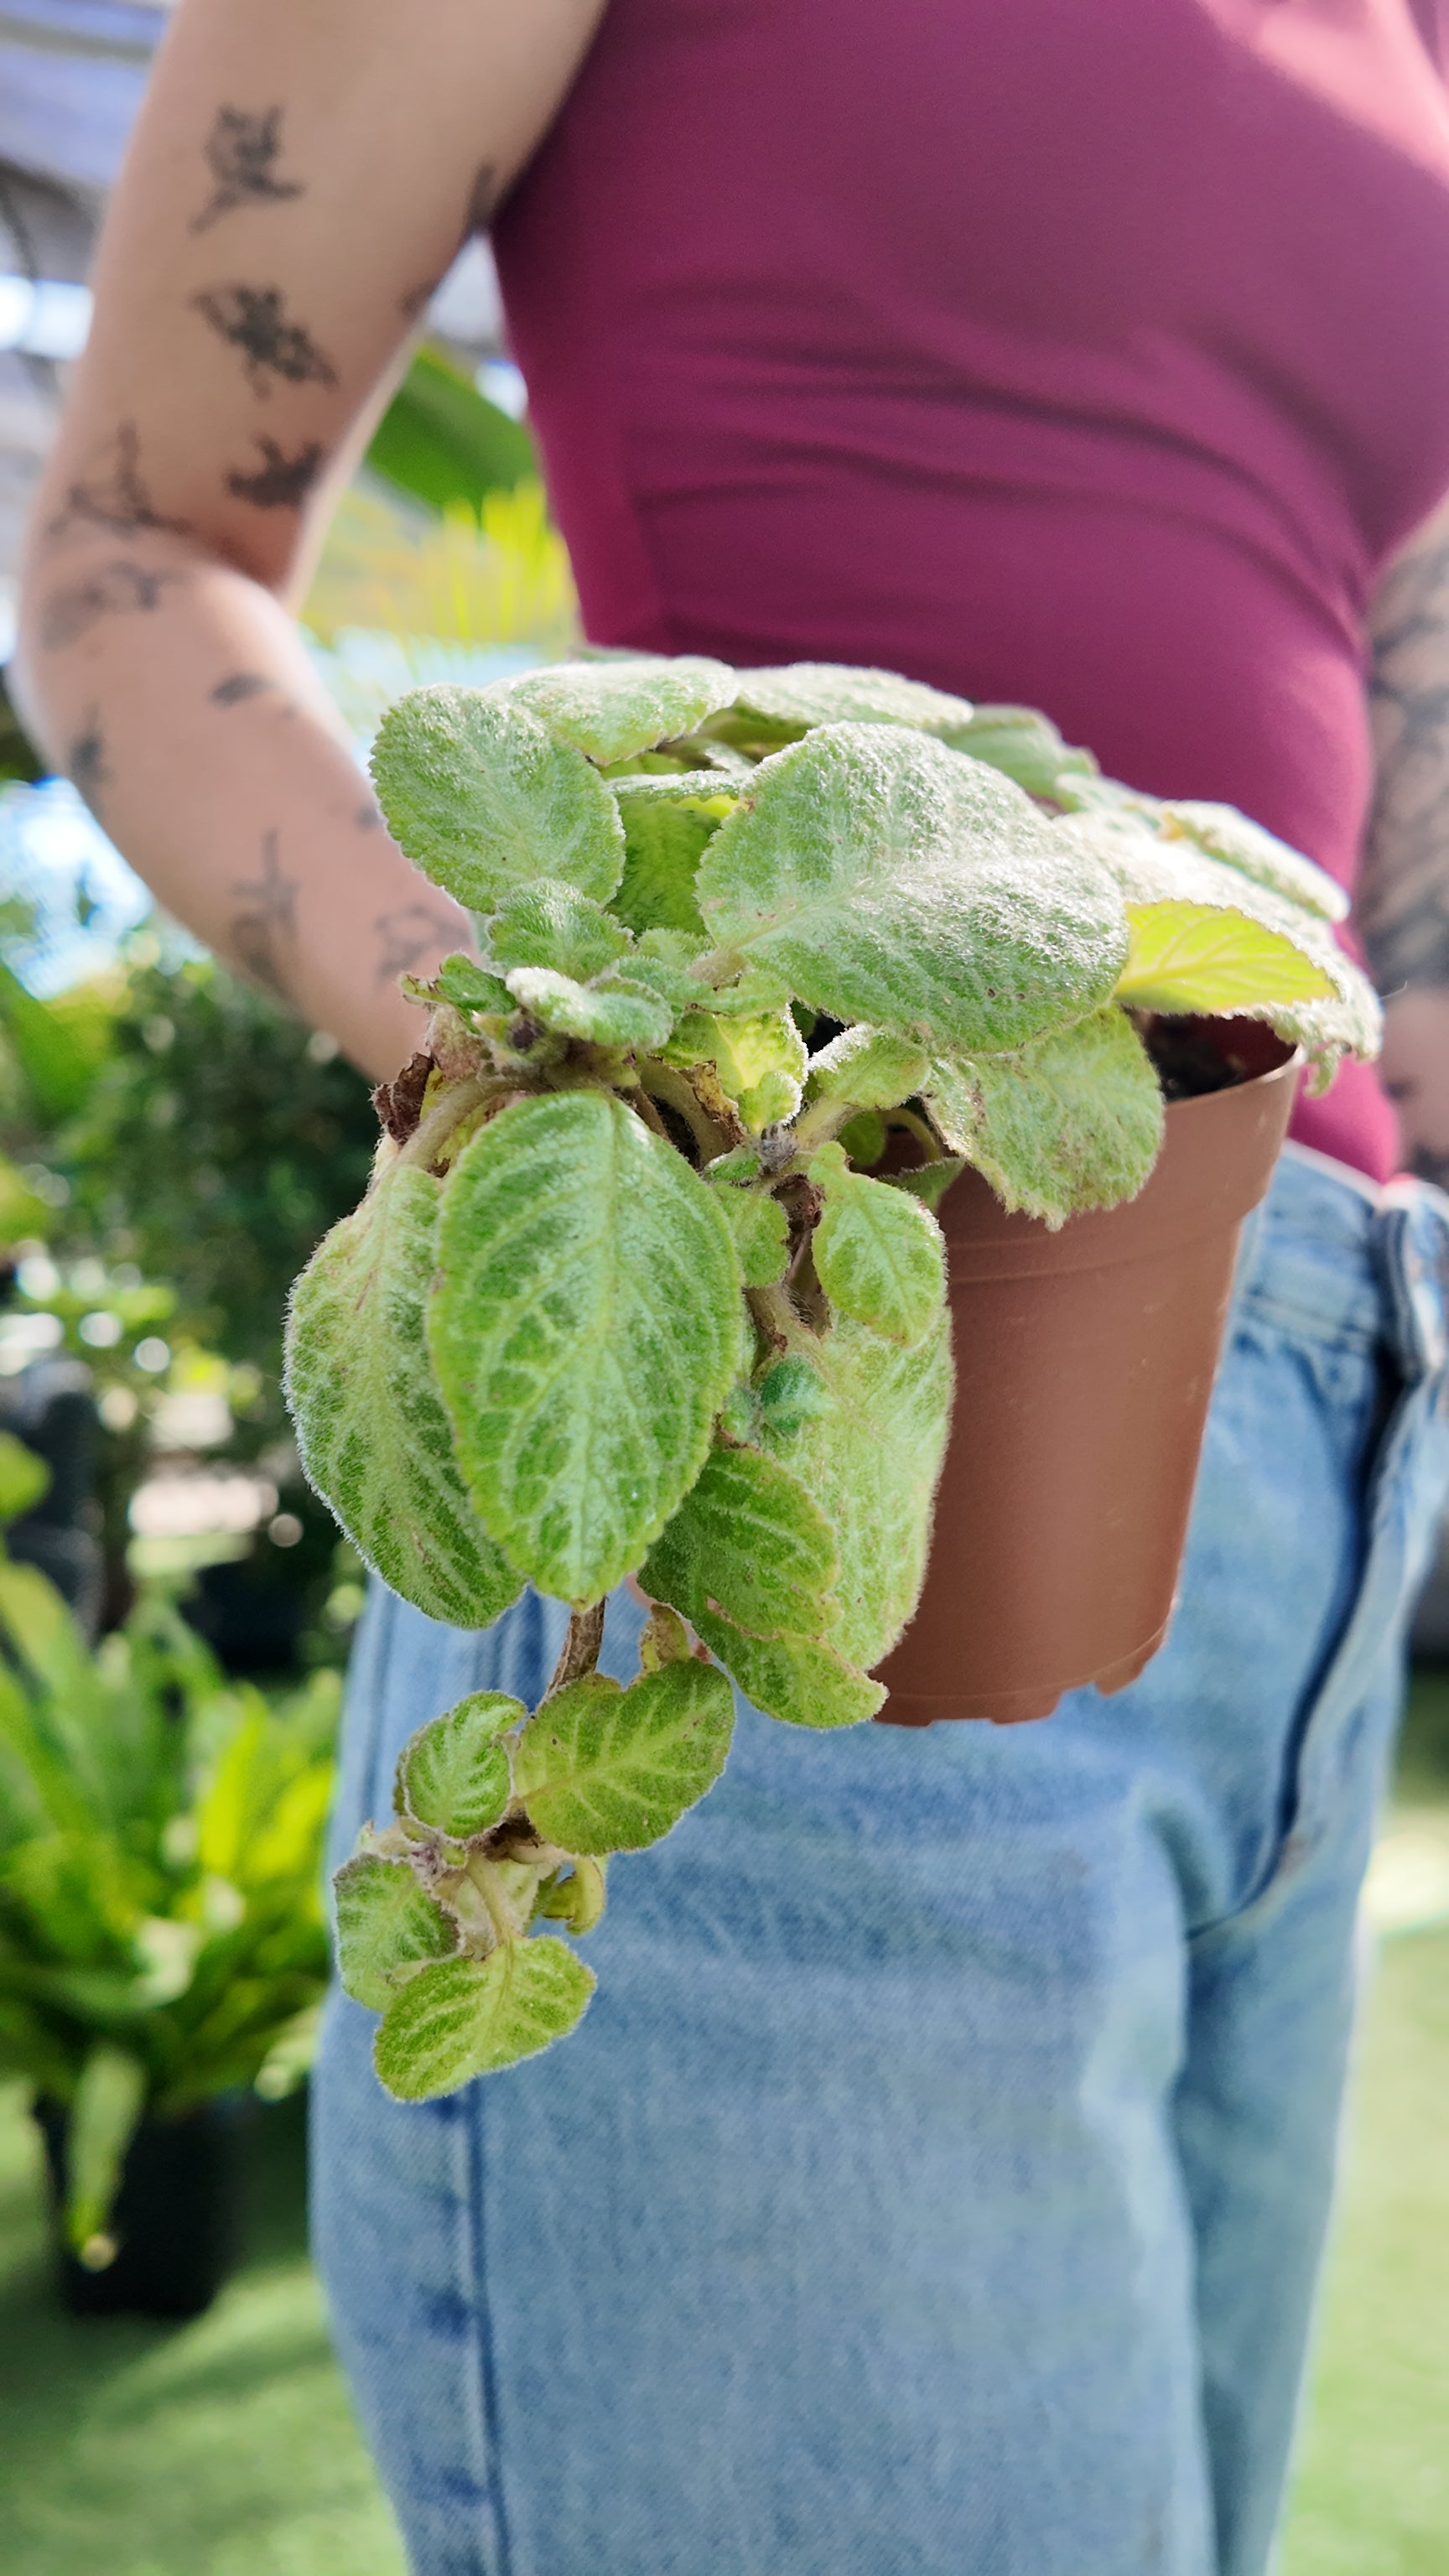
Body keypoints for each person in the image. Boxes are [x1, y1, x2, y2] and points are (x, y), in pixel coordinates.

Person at [15, 3, 1449, 2568]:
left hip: (1314, 1429)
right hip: (800, 1348)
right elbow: (130, 561)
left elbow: (1382, 714)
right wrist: (565, 1077)